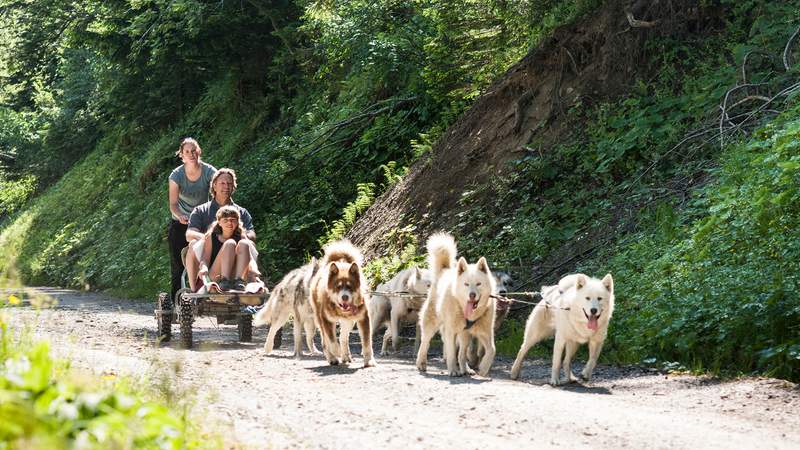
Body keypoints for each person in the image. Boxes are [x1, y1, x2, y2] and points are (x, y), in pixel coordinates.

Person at [185, 168, 260, 292]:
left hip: (237, 253)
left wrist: (234, 234)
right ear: (214, 186)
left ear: (234, 187)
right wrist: (213, 236)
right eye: (222, 183)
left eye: (230, 183)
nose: (226, 186)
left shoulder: (241, 212)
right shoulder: (201, 210)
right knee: (193, 243)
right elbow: (189, 234)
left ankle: (244, 280)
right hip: (211, 256)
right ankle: (195, 288)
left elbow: (251, 234)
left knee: (246, 243)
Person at [167, 138, 217, 302]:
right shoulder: (176, 175)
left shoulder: (209, 171)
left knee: (208, 257)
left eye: (194, 150)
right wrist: (181, 215)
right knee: (178, 266)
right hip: (181, 223)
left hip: (203, 222)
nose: (191, 154)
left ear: (199, 151)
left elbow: (219, 191)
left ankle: (207, 293)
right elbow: (173, 204)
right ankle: (176, 301)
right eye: (187, 151)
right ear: (182, 155)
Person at [196, 206, 257, 292]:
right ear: (219, 223)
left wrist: (254, 269)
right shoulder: (212, 236)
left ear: (237, 222)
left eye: (233, 220)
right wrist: (203, 268)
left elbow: (250, 259)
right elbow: (205, 258)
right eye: (225, 220)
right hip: (216, 275)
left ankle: (239, 281)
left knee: (244, 244)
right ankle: (224, 280)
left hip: (235, 275)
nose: (229, 223)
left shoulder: (241, 236)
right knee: (230, 243)